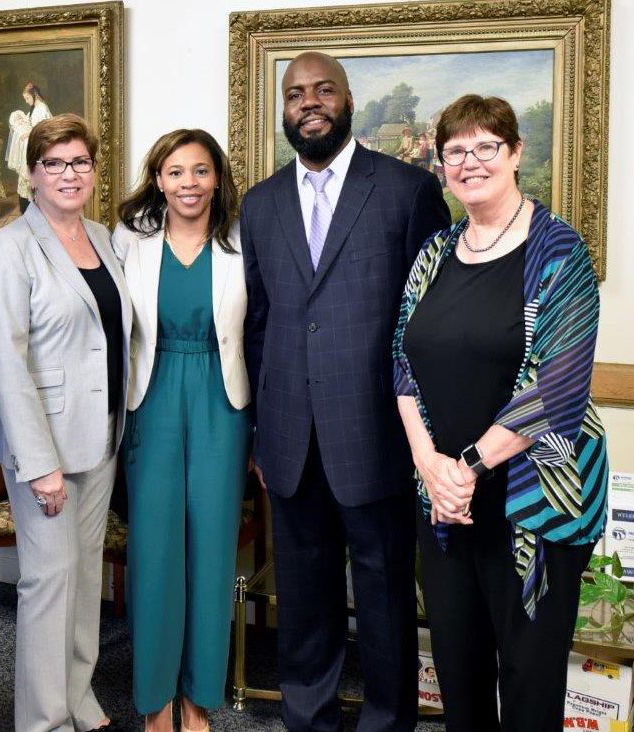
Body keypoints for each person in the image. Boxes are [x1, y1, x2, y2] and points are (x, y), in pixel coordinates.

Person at [241, 51, 450, 732]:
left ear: (348, 98)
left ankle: (389, 722)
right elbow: (258, 325)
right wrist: (258, 438)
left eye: (322, 90)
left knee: (386, 596)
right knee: (304, 597)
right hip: (289, 439)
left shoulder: (407, 191)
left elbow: (429, 325)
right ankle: (311, 717)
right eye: (295, 93)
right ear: (284, 107)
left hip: (378, 438)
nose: (309, 103)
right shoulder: (260, 203)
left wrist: (425, 440)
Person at [392, 94, 608, 731]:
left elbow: (558, 388)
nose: (470, 161)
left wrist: (463, 467)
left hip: (534, 502)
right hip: (445, 504)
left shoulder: (561, 251)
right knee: (458, 676)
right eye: (456, 151)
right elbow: (400, 361)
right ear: (443, 166)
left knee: (529, 682)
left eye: (486, 147)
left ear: (515, 154)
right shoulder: (435, 251)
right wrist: (429, 466)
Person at [0, 113, 130, 732]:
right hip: (47, 450)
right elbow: (6, 359)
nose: (70, 174)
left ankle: (78, 695)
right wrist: (38, 465)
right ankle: (41, 720)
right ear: (33, 174)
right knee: (47, 582)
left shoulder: (103, 235)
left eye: (81, 162)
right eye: (55, 164)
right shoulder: (9, 245)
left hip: (102, 438)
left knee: (84, 571)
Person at [113, 129, 250, 732]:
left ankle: (199, 697)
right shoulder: (130, 242)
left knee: (214, 551)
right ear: (158, 179)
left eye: (199, 171)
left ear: (217, 178)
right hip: (153, 397)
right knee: (155, 550)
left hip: (224, 402)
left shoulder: (245, 242)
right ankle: (154, 701)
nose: (188, 183)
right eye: (175, 172)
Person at [5, 81, 53, 212]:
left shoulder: (42, 108)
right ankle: (27, 209)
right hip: (32, 147)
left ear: (34, 94)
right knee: (27, 182)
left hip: (40, 149)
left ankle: (34, 209)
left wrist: (28, 134)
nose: (26, 101)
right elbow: (31, 126)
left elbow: (43, 131)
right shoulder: (34, 109)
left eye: (27, 98)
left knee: (34, 181)